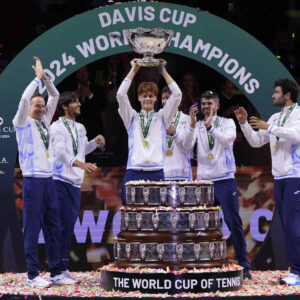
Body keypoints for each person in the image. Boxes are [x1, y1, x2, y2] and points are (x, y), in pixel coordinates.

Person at [12, 57, 71, 287]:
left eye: (41, 105)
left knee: (54, 227)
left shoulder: (45, 122)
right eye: (37, 105)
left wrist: (46, 80)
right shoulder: (21, 122)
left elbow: (55, 96)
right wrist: (36, 79)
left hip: (49, 181)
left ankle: (56, 272)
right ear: (29, 109)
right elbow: (25, 98)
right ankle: (33, 275)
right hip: (33, 181)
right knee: (32, 228)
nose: (40, 108)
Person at [234, 78, 300, 285]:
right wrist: (244, 124)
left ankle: (297, 272)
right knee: (288, 225)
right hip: (279, 178)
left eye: (276, 92)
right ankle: (295, 270)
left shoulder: (297, 114)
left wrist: (270, 128)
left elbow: (296, 135)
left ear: (287, 95)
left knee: (293, 226)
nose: (273, 95)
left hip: (294, 177)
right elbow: (255, 142)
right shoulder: (274, 117)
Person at [184, 90, 252, 279]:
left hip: (224, 179)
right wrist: (191, 125)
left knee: (233, 222)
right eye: (203, 104)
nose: (206, 107)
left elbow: (228, 140)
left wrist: (211, 128)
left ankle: (244, 264)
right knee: (202, 225)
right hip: (204, 182)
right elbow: (188, 149)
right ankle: (202, 263)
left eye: (209, 103)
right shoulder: (197, 126)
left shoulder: (227, 123)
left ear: (217, 106)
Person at [50, 91, 105, 283]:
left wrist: (95, 144)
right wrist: (81, 165)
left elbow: (81, 150)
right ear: (65, 106)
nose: (78, 104)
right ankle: (57, 271)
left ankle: (62, 269)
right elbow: (60, 153)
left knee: (68, 228)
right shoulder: (56, 127)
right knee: (60, 227)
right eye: (74, 102)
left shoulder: (80, 127)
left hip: (74, 183)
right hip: (60, 181)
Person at [117, 59, 182, 204]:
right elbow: (120, 95)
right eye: (144, 96)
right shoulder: (132, 117)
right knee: (128, 210)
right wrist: (134, 69)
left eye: (151, 96)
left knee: (158, 214)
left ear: (155, 98)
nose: (148, 99)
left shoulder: (162, 117)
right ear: (139, 98)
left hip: (156, 171)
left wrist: (162, 71)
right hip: (134, 171)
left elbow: (177, 95)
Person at [161, 86, 193, 180]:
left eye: (168, 98)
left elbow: (188, 147)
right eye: (163, 98)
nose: (165, 101)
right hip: (163, 174)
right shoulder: (157, 120)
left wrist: (174, 133)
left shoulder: (187, 120)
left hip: (182, 174)